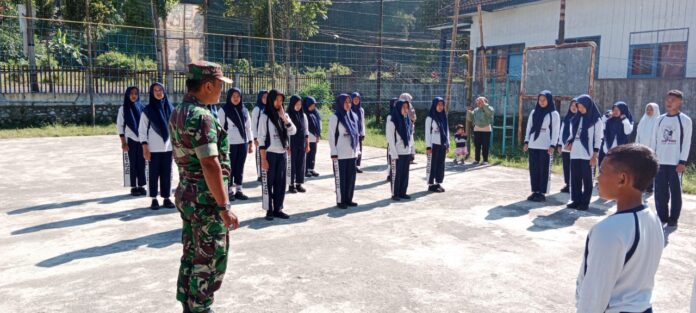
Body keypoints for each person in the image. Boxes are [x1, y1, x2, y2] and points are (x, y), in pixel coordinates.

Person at [169, 61, 239, 313]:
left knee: (191, 252)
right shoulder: (202, 117)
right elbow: (210, 164)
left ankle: (188, 303)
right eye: (220, 85)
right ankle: (201, 307)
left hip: (187, 195)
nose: (222, 90)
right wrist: (224, 206)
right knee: (210, 257)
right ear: (208, 85)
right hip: (206, 201)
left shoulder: (179, 111)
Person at [575, 144, 663, 313]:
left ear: (622, 179)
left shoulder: (609, 231)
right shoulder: (653, 218)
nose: (597, 179)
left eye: (601, 172)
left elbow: (594, 297)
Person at [652, 89, 692, 228]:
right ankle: (662, 217)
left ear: (680, 102)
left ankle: (673, 218)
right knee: (659, 192)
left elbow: (687, 142)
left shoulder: (685, 120)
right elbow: (654, 141)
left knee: (676, 192)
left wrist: (682, 161)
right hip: (660, 162)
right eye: (667, 100)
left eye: (672, 100)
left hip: (675, 163)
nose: (669, 103)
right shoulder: (659, 119)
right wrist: (652, 158)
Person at [258, 89, 297, 221]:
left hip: (282, 153)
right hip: (269, 154)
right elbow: (261, 139)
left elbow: (293, 131)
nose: (279, 103)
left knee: (280, 183)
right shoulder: (265, 116)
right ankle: (269, 210)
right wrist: (263, 159)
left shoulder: (283, 115)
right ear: (271, 100)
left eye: (281, 100)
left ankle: (278, 208)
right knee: (268, 183)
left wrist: (284, 119)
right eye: (277, 100)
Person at [139, 82, 175, 210]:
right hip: (153, 149)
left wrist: (176, 147)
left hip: (168, 148)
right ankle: (154, 199)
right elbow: (142, 131)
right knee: (153, 174)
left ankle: (166, 197)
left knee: (167, 174)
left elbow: (174, 129)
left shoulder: (171, 108)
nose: (159, 92)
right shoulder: (147, 110)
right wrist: (145, 148)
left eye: (161, 90)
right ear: (152, 93)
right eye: (155, 90)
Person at [565, 94, 603, 211]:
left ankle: (585, 202)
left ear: (588, 106)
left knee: (587, 180)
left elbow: (598, 139)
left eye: (582, 107)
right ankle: (575, 200)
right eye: (578, 107)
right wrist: (569, 141)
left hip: (588, 155)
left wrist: (595, 156)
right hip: (575, 153)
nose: (580, 109)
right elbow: (573, 134)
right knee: (575, 179)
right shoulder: (577, 118)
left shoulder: (596, 121)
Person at [524, 90, 560, 202]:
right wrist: (526, 141)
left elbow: (555, 131)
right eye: (540, 100)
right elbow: (529, 128)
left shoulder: (553, 114)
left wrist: (553, 145)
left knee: (543, 169)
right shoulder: (534, 112)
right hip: (533, 144)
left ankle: (542, 192)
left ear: (549, 100)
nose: (542, 102)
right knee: (534, 169)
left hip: (545, 146)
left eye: (544, 100)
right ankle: (535, 190)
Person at [218, 87, 253, 201]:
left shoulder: (244, 110)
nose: (236, 99)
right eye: (234, 96)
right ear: (229, 97)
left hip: (242, 143)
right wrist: (221, 145)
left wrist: (250, 142)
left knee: (240, 167)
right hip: (229, 144)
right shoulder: (223, 110)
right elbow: (220, 129)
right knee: (229, 167)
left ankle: (239, 189)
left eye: (238, 96)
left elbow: (248, 128)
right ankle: (228, 190)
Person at [329, 94, 361, 209]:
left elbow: (356, 135)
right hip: (340, 154)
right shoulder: (335, 117)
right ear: (340, 103)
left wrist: (357, 151)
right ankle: (340, 200)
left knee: (351, 178)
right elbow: (331, 136)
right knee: (340, 178)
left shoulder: (354, 116)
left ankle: (348, 199)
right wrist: (333, 152)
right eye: (345, 102)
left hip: (351, 153)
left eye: (349, 102)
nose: (348, 104)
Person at [117, 86, 147, 196]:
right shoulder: (123, 109)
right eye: (131, 93)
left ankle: (141, 185)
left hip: (142, 140)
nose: (134, 96)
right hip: (130, 140)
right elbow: (120, 126)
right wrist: (123, 143)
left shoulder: (142, 108)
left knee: (142, 163)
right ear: (127, 95)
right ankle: (134, 186)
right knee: (132, 163)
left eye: (136, 93)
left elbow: (146, 125)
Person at [387, 100, 414, 201]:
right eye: (403, 107)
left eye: (407, 107)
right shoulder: (392, 119)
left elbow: (410, 135)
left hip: (406, 151)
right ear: (398, 108)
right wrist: (393, 153)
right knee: (396, 174)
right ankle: (395, 193)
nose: (406, 110)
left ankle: (403, 192)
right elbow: (390, 138)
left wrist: (411, 150)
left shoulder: (407, 119)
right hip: (396, 153)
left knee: (404, 174)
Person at [425, 97, 449, 193]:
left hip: (442, 144)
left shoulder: (444, 117)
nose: (440, 107)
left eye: (442, 105)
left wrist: (447, 144)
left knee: (440, 165)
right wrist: (428, 146)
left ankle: (438, 182)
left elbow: (446, 131)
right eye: (438, 105)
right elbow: (427, 133)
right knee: (432, 165)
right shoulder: (430, 118)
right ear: (434, 105)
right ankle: (431, 184)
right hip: (433, 144)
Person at [287, 95, 309, 193]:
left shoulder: (303, 115)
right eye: (296, 104)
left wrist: (307, 144)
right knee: (292, 164)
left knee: (301, 163)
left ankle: (299, 183)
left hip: (301, 142)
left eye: (300, 104)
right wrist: (287, 146)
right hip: (292, 143)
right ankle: (291, 185)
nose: (298, 106)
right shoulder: (288, 115)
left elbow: (306, 130)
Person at [635, 103, 660, 193]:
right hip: (642, 147)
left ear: (655, 110)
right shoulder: (643, 120)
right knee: (642, 167)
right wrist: (637, 146)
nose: (648, 111)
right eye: (647, 109)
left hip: (652, 148)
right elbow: (638, 134)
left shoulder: (658, 121)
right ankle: (642, 185)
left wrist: (654, 149)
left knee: (650, 167)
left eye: (651, 109)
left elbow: (657, 137)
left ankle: (650, 187)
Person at [602, 102, 634, 167]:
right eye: (614, 110)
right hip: (608, 150)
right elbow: (601, 126)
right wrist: (606, 117)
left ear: (622, 110)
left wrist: (624, 120)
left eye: (617, 110)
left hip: (621, 151)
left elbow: (627, 132)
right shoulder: (609, 120)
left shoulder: (627, 120)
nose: (615, 112)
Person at [557, 99, 578, 193]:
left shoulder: (580, 119)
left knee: (574, 167)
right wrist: (559, 144)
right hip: (565, 146)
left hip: (574, 146)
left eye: (576, 106)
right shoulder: (566, 117)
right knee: (566, 166)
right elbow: (561, 131)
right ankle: (567, 184)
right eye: (572, 105)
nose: (573, 107)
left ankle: (573, 185)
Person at [467, 96, 494, 165]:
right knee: (477, 145)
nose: (478, 103)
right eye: (478, 101)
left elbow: (489, 113)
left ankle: (485, 160)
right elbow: (470, 119)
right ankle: (477, 159)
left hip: (486, 129)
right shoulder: (476, 110)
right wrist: (469, 112)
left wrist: (484, 104)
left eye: (480, 101)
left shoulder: (489, 108)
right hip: (477, 129)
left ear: (485, 102)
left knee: (485, 145)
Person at [251, 90, 269, 182]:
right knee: (259, 156)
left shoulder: (269, 108)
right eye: (264, 97)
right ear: (260, 98)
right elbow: (253, 124)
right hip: (259, 137)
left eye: (267, 97)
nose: (266, 99)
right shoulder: (257, 109)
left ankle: (265, 172)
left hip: (268, 136)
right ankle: (260, 175)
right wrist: (255, 137)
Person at [304, 96, 322, 177]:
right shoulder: (304, 113)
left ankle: (311, 168)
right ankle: (305, 169)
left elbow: (318, 124)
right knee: (306, 154)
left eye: (314, 105)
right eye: (311, 105)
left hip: (314, 137)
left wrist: (318, 135)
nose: (313, 107)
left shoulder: (315, 113)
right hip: (307, 138)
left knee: (313, 153)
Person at [351, 92, 367, 173]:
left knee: (359, 150)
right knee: (352, 149)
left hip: (359, 133)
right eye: (354, 99)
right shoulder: (349, 109)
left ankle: (357, 166)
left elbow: (362, 122)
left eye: (358, 99)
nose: (356, 100)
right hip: (352, 133)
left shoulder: (361, 110)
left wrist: (363, 133)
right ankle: (352, 166)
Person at [399, 93, 417, 164]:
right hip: (407, 127)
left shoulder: (399, 105)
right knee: (410, 142)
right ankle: (409, 158)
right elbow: (413, 117)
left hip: (407, 127)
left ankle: (409, 157)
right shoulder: (409, 106)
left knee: (410, 142)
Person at [386, 97, 399, 182]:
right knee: (391, 158)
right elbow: (388, 131)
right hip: (392, 141)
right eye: (395, 103)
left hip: (399, 141)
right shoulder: (390, 116)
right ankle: (389, 174)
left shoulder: (400, 115)